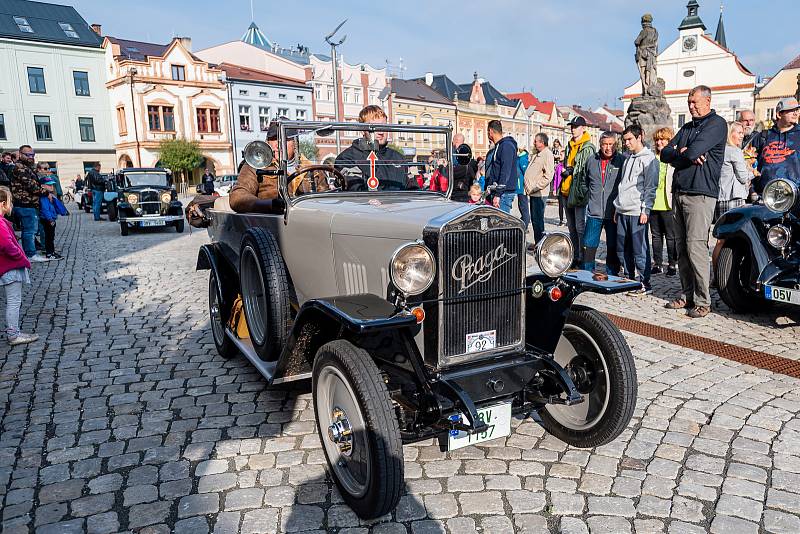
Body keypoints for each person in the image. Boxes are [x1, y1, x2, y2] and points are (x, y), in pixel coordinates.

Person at [660, 85, 728, 318]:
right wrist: (682, 152)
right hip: (679, 191)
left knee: (696, 246)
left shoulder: (716, 124)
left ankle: (702, 301)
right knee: (681, 248)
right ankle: (686, 294)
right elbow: (664, 154)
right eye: (689, 102)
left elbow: (686, 154)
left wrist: (682, 152)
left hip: (700, 194)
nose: (691, 106)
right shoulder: (687, 126)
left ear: (707, 101)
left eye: (695, 102)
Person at [230, 119, 328, 213]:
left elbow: (327, 201)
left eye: (285, 139)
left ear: (295, 143)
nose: (279, 144)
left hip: (308, 220)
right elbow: (237, 197)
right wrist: (270, 205)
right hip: (271, 224)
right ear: (267, 142)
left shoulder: (313, 169)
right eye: (274, 138)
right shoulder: (255, 165)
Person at [614, 125, 658, 295]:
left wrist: (645, 210)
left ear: (640, 137)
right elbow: (623, 185)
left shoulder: (649, 159)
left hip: (637, 212)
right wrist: (617, 208)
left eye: (630, 139)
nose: (626, 143)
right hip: (623, 210)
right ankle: (628, 278)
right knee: (623, 248)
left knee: (639, 249)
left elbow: (650, 188)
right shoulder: (628, 158)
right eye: (625, 140)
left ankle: (644, 283)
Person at [335, 105, 410, 191]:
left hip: (401, 203)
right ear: (362, 130)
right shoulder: (347, 158)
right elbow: (355, 192)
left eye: (383, 127)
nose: (381, 132)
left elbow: (414, 190)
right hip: (368, 203)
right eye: (374, 128)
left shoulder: (399, 158)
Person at [582, 131, 624, 273]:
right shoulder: (591, 160)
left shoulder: (622, 161)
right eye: (605, 144)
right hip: (594, 211)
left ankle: (612, 274)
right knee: (589, 244)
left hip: (613, 212)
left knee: (612, 246)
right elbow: (585, 181)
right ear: (600, 145)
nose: (608, 148)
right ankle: (587, 273)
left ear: (615, 144)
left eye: (611, 144)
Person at [0, 187, 37, 345]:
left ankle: (13, 332)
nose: (12, 205)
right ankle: (13, 334)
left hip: (8, 266)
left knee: (13, 300)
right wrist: (22, 258)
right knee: (14, 301)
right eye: (11, 202)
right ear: (3, 203)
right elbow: (7, 245)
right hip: (10, 267)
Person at [561, 116, 596, 266]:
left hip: (579, 191)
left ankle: (582, 256)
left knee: (580, 227)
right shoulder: (569, 145)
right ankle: (575, 255)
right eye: (572, 126)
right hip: (566, 190)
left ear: (583, 128)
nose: (573, 129)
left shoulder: (588, 148)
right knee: (571, 227)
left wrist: (572, 171)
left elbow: (586, 171)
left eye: (576, 126)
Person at [751, 97, 800, 194]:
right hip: (766, 195)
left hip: (795, 195)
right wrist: (752, 190)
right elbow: (749, 163)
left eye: (797, 110)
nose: (795, 113)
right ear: (779, 114)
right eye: (791, 110)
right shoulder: (763, 136)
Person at [10, 145, 47, 262]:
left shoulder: (27, 167)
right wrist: (46, 191)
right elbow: (32, 186)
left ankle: (31, 253)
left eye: (32, 154)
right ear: (20, 154)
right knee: (29, 230)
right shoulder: (20, 168)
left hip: (29, 203)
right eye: (28, 155)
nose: (31, 157)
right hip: (24, 203)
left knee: (30, 229)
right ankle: (30, 254)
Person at [650, 127, 678, 276]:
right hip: (654, 202)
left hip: (668, 202)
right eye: (657, 139)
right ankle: (658, 263)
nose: (659, 142)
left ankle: (672, 264)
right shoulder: (652, 158)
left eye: (663, 139)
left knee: (671, 236)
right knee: (655, 236)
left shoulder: (673, 159)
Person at [715, 121, 752, 221]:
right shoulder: (735, 151)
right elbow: (743, 177)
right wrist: (753, 172)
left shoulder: (719, 150)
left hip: (720, 197)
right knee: (734, 233)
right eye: (739, 133)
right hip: (734, 198)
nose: (742, 136)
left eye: (742, 133)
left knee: (722, 233)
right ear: (730, 133)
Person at [524, 133, 555, 244]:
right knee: (535, 220)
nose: (534, 143)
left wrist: (536, 187)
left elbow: (548, 176)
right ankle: (538, 243)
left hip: (539, 193)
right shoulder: (538, 154)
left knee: (538, 220)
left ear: (542, 142)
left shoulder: (547, 154)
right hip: (533, 193)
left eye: (536, 141)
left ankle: (541, 244)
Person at [484, 120, 518, 212]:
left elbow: (505, 171)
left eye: (487, 132)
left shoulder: (506, 146)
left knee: (500, 225)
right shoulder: (499, 146)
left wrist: (498, 194)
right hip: (498, 192)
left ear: (490, 131)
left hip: (504, 194)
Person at [38, 179, 67, 260]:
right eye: (49, 185)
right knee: (49, 237)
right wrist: (50, 219)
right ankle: (49, 253)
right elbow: (45, 209)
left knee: (51, 236)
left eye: (52, 185)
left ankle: (52, 252)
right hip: (47, 219)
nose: (52, 187)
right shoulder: (44, 197)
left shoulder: (49, 195)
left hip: (51, 218)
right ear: (42, 186)